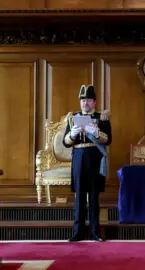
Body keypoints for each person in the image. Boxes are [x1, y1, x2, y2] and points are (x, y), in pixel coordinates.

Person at [62, 84, 112, 242]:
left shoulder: (102, 118)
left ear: (94, 102)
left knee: (94, 196)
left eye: (89, 100)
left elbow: (108, 140)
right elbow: (65, 142)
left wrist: (96, 132)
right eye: (83, 100)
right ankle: (78, 232)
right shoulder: (72, 119)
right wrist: (73, 133)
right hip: (78, 157)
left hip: (94, 157)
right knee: (79, 197)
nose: (85, 103)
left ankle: (95, 231)